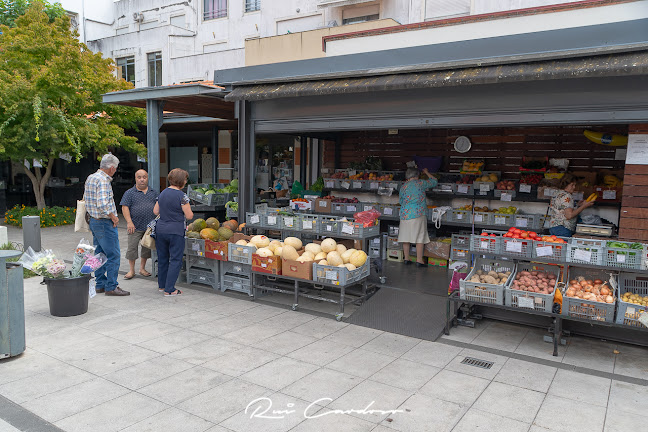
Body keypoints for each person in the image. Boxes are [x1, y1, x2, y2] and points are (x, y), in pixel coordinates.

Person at [84, 154, 129, 296]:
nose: (115, 171)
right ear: (111, 168)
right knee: (113, 254)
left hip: (93, 220)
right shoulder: (103, 180)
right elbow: (103, 204)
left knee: (99, 254)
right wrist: (114, 217)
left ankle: (100, 284)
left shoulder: (91, 177)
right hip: (104, 221)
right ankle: (111, 286)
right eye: (115, 169)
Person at [154, 168, 193, 296]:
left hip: (160, 230)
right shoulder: (182, 196)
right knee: (175, 259)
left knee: (163, 258)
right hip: (175, 230)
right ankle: (170, 289)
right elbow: (189, 216)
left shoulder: (163, 193)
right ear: (181, 181)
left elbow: (155, 211)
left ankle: (162, 285)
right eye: (185, 179)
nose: (186, 182)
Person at [120, 169, 158, 280]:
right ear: (135, 178)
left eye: (144, 177)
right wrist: (129, 222)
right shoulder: (129, 193)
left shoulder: (154, 192)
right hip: (134, 226)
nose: (142, 179)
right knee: (132, 248)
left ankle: (142, 268)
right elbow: (124, 207)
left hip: (149, 227)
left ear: (147, 178)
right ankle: (131, 270)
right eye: (139, 177)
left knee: (146, 248)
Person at [398, 167, 438, 267]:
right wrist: (427, 172)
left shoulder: (403, 186)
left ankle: (406, 259)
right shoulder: (420, 183)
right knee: (420, 237)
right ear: (417, 175)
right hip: (418, 213)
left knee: (405, 237)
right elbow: (434, 181)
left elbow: (401, 201)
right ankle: (419, 260)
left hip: (405, 214)